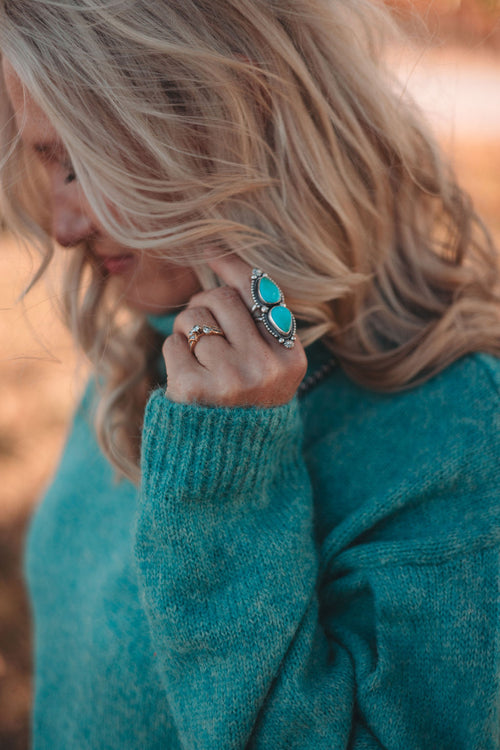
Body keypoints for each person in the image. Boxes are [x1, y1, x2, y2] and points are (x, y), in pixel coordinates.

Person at [1, 0, 499, 747]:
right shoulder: (153, 349)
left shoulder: (458, 434)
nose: (63, 228)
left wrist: (226, 480)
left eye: (80, 166)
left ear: (225, 132)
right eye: (47, 168)